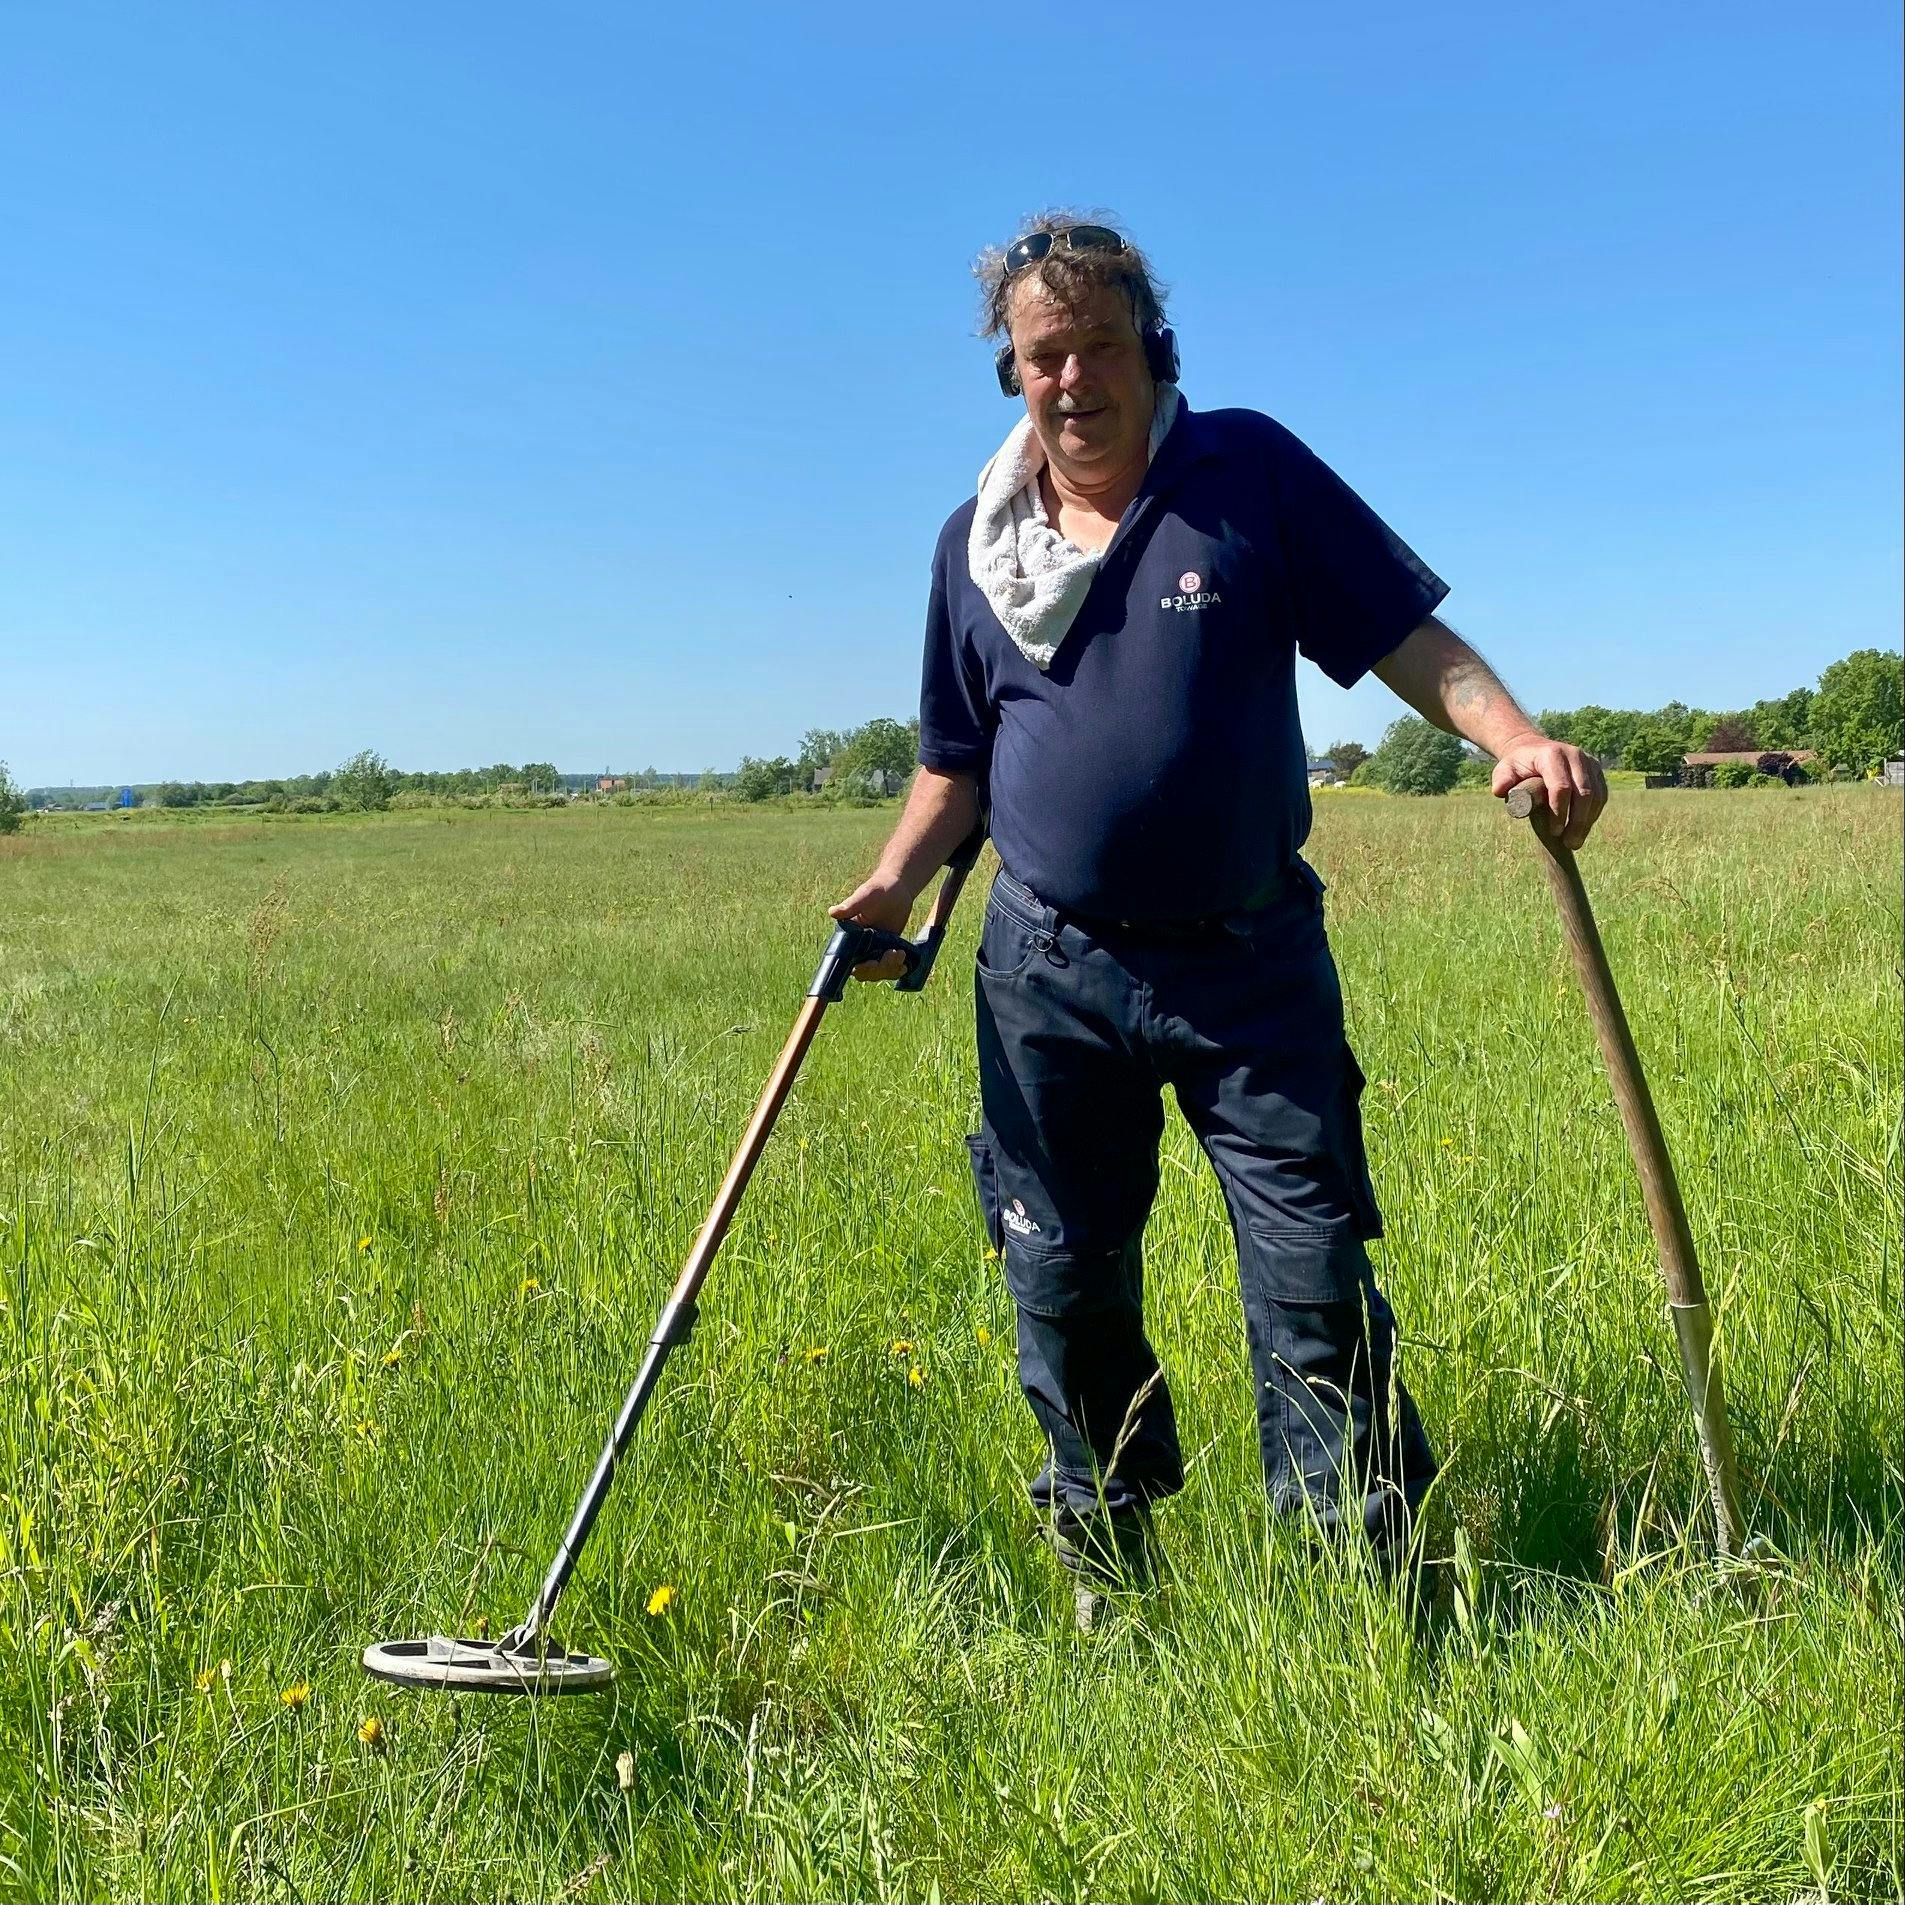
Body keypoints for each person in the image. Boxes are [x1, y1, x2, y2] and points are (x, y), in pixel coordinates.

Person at [832, 215, 1607, 1626]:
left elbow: (1400, 635)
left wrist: (1514, 735)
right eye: (1040, 355)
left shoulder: (1242, 469)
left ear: (1150, 350)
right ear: (1011, 373)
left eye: (1097, 347)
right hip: (1045, 967)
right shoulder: (975, 543)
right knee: (1058, 1277)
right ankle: (1107, 1573)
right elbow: (959, 760)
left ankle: (1364, 1592)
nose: (1071, 380)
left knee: (1311, 1274)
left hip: (1248, 964)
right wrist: (892, 885)